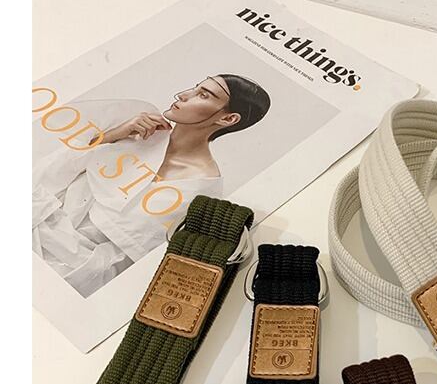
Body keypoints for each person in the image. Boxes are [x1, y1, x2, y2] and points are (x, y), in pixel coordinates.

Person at [32, 75, 271, 297]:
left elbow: (125, 256)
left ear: (228, 119)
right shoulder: (138, 129)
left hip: (68, 271)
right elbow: (50, 172)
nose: (182, 94)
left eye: (203, 94)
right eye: (195, 88)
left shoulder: (201, 188)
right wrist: (112, 135)